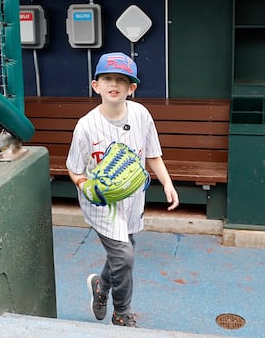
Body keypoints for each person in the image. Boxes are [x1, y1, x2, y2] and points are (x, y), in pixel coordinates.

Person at [66, 52, 180, 328]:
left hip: (131, 198)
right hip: (101, 203)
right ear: (96, 85)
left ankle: (101, 286)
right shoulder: (86, 126)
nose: (114, 84)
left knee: (122, 253)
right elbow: (74, 168)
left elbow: (152, 154)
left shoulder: (141, 114)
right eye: (107, 78)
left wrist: (167, 182)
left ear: (132, 88)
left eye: (121, 79)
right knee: (125, 255)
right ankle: (122, 314)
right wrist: (84, 186)